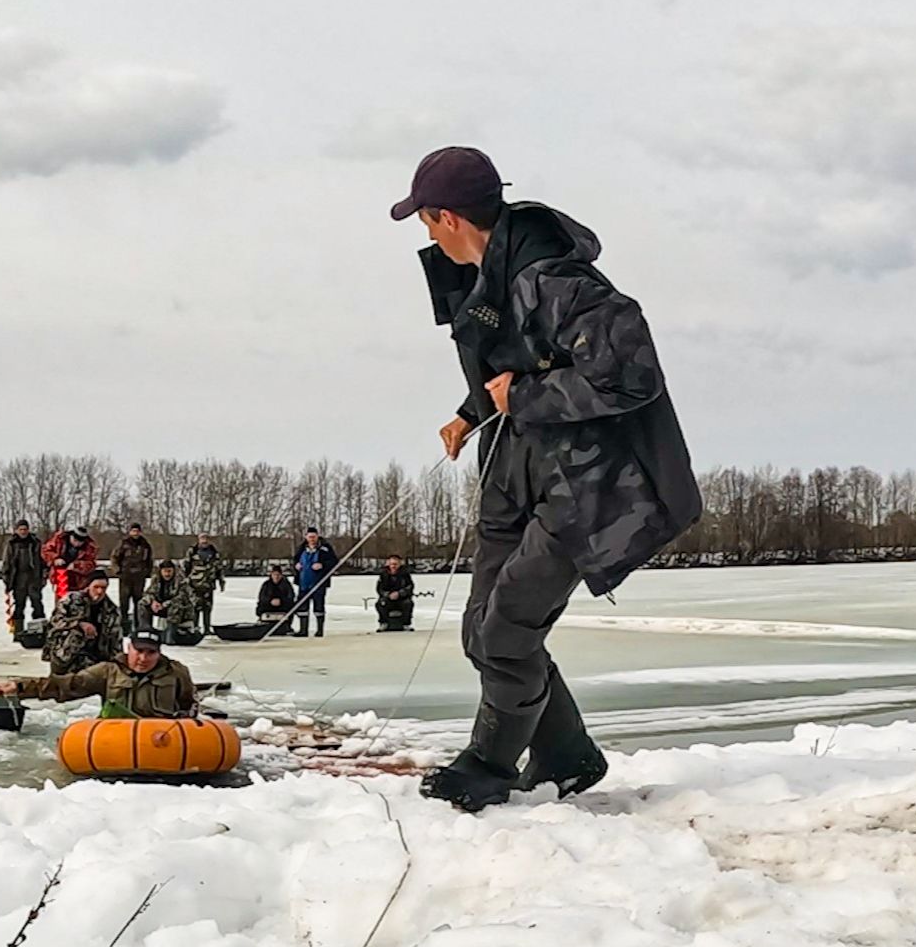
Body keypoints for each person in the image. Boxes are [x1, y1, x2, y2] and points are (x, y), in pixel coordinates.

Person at [389, 145, 701, 812]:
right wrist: (472, 411)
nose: (425, 234)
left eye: (424, 219)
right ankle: (566, 751)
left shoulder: (554, 277)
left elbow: (631, 372)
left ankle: (491, 763)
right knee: (483, 627)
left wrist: (519, 397)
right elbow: (514, 364)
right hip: (514, 465)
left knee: (508, 628)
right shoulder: (485, 279)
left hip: (584, 482)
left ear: (446, 217)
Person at [0, 625, 197, 719]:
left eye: (150, 652)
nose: (143, 658)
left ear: (159, 652)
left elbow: (189, 705)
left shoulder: (177, 673)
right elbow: (66, 685)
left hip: (161, 739)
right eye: (139, 651)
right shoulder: (108, 672)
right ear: (129, 648)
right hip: (117, 738)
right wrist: (20, 687)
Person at [40, 570, 123, 676]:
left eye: (103, 588)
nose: (99, 591)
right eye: (96, 587)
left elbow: (116, 639)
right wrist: (78, 624)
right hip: (65, 653)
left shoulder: (112, 610)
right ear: (88, 586)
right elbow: (55, 621)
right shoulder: (71, 600)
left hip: (95, 656)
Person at [0, 520, 48, 633]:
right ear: (16, 530)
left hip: (34, 577)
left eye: (25, 529)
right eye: (21, 529)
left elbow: (43, 561)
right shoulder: (12, 544)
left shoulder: (36, 542)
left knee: (37, 604)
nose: (23, 532)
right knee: (19, 605)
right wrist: (7, 580)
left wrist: (43, 577)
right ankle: (18, 631)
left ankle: (40, 630)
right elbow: (7, 562)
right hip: (18, 579)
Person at [293, 527, 340, 637]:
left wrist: (323, 565)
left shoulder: (325, 548)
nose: (312, 539)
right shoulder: (301, 548)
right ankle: (303, 630)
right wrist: (296, 565)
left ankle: (319, 630)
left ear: (317, 536)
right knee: (302, 606)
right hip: (303, 582)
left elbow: (334, 562)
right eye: (310, 537)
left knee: (318, 606)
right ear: (306, 537)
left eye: (314, 537)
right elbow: (295, 559)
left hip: (319, 582)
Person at [138, 557, 197, 640]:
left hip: (180, 610)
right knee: (142, 603)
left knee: (175, 606)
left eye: (169, 571)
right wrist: (153, 601)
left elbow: (182, 597)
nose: (167, 574)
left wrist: (165, 604)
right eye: (164, 571)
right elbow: (149, 593)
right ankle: (145, 631)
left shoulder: (181, 581)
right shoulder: (156, 580)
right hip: (161, 607)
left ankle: (170, 636)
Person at [41, 525, 98, 602]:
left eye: (80, 542)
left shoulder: (90, 547)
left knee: (78, 602)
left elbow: (91, 565)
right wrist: (55, 559)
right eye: (75, 540)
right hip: (61, 574)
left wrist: (77, 565)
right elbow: (45, 551)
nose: (77, 544)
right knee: (61, 601)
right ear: (71, 536)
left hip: (80, 579)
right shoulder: (59, 539)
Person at [110, 522, 154, 618]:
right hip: (126, 576)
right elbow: (114, 557)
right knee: (124, 602)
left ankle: (138, 623)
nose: (135, 533)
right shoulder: (123, 543)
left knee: (138, 601)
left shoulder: (145, 545)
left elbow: (149, 559)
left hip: (139, 577)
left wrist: (148, 572)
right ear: (130, 532)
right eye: (133, 531)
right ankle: (124, 622)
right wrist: (117, 570)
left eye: (137, 531)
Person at [183, 533, 226, 630]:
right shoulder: (192, 551)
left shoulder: (214, 552)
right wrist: (186, 581)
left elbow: (219, 567)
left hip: (208, 584)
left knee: (208, 607)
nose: (204, 540)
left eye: (206, 538)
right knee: (195, 606)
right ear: (198, 540)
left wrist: (221, 581)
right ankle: (195, 627)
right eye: (202, 538)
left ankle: (207, 628)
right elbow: (186, 566)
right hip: (195, 584)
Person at [375, 554, 416, 632]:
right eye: (391, 564)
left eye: (395, 564)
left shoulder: (405, 574)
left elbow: (409, 587)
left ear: (399, 564)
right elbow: (379, 589)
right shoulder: (384, 575)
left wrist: (400, 593)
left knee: (408, 603)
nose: (393, 566)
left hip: (402, 598)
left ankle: (406, 624)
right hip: (388, 598)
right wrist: (387, 595)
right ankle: (384, 623)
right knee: (381, 604)